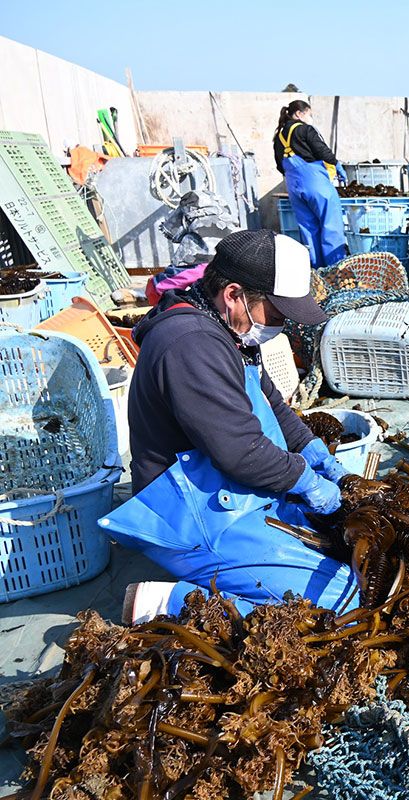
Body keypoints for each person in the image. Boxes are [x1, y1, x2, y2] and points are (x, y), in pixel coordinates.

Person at [107, 230, 358, 624]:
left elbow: (273, 405)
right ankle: (167, 602)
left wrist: (316, 455)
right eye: (276, 315)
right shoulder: (190, 344)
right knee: (342, 602)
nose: (282, 326)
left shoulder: (226, 329)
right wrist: (307, 482)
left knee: (350, 558)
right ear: (233, 294)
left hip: (234, 492)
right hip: (193, 515)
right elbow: (241, 451)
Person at [272, 100, 348, 269]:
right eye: (309, 114)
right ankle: (336, 271)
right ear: (299, 114)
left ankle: (316, 272)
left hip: (293, 185)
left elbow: (279, 164)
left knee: (308, 230)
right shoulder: (304, 129)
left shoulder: (279, 136)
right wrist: (336, 164)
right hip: (315, 182)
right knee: (331, 225)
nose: (310, 118)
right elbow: (321, 150)